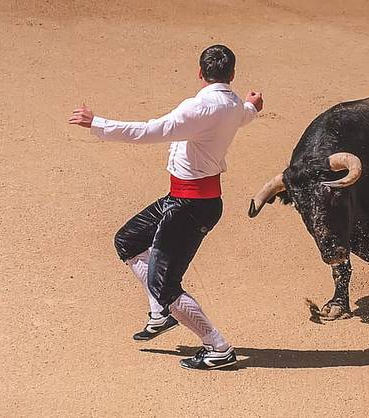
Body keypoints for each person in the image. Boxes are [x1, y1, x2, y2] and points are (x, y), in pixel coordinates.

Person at [68, 44, 263, 370]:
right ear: (232, 75)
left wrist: (96, 122)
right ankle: (161, 313)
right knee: (127, 241)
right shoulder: (232, 104)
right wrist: (254, 107)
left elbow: (148, 131)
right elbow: (244, 113)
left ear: (200, 73)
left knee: (165, 285)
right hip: (188, 199)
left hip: (189, 206)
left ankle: (218, 347)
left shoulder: (199, 109)